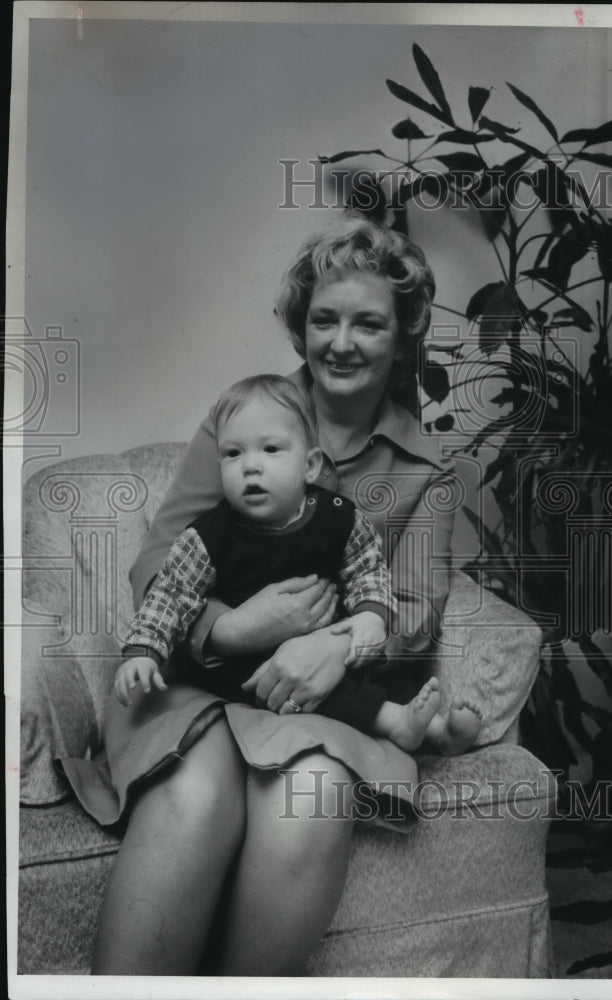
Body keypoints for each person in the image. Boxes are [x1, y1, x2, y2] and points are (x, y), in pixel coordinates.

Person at [61, 216, 481, 976]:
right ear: (300, 326)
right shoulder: (243, 415)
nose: (342, 342)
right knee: (194, 795)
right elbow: (162, 556)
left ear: (403, 333)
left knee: (311, 800)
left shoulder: (428, 468)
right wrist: (235, 629)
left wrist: (335, 641)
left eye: (368, 323)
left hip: (323, 697)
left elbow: (415, 610)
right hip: (198, 681)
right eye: (324, 319)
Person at [115, 373, 445, 751]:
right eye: (233, 454)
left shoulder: (338, 517)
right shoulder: (208, 535)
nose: (250, 466)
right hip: (240, 673)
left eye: (271, 450)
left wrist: (371, 616)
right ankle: (393, 721)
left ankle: (415, 727)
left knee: (348, 679)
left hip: (320, 655)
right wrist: (142, 653)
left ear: (309, 465)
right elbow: (171, 594)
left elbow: (367, 569)